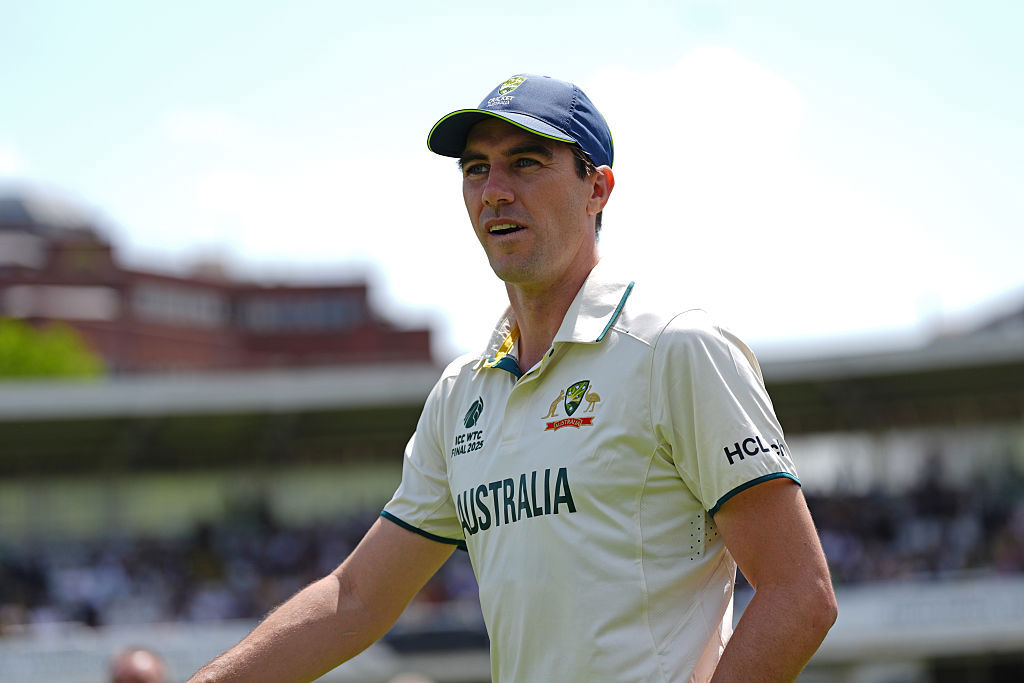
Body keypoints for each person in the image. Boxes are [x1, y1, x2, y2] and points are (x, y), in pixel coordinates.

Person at [189, 73, 837, 683]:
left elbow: (800, 592)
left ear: (598, 188)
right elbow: (357, 596)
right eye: (476, 168)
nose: (494, 188)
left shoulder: (675, 346)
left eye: (525, 162)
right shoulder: (461, 393)